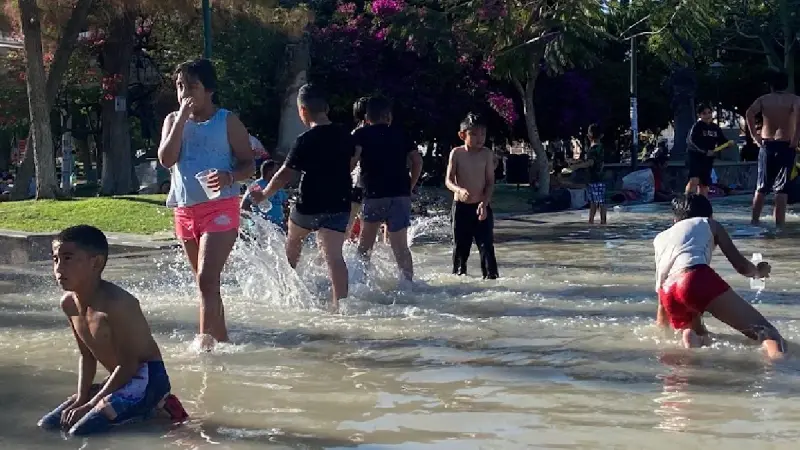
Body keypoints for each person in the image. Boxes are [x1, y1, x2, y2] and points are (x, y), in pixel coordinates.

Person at [38, 226, 188, 436]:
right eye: (55, 259)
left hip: (146, 378)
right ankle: (144, 409)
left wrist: (91, 405)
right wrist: (82, 398)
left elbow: (129, 365)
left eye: (68, 258)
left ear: (96, 263)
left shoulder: (118, 303)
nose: (59, 268)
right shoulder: (68, 304)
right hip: (119, 379)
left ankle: (159, 407)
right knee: (49, 424)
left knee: (80, 431)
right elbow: (86, 356)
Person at [157, 59, 254, 349]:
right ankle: (222, 340)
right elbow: (166, 160)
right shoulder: (173, 121)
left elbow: (249, 164)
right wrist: (181, 121)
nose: (184, 93)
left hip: (220, 206)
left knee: (206, 279)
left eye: (192, 87)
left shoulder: (227, 121)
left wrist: (229, 176)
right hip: (185, 210)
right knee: (207, 285)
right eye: (179, 86)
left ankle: (204, 347)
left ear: (209, 90)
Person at [251, 84, 356, 311]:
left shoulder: (304, 139)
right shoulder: (345, 136)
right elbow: (351, 164)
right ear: (326, 108)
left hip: (309, 203)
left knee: (294, 240)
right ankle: (342, 306)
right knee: (335, 257)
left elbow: (283, 176)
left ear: (302, 111)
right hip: (339, 202)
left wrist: (264, 194)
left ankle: (287, 291)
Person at [653, 194, 786, 360]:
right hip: (694, 278)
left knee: (700, 333)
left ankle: (692, 336)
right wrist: (759, 272)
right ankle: (781, 369)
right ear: (710, 215)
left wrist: (661, 330)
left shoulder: (660, 238)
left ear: (674, 220)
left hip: (668, 293)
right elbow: (741, 266)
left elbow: (661, 291)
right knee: (767, 333)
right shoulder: (709, 223)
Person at [351, 96, 422, 281]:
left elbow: (352, 161)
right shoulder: (401, 133)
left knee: (365, 246)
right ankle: (408, 286)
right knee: (400, 247)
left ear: (367, 117)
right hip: (399, 194)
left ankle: (359, 283)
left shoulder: (361, 135)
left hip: (373, 194)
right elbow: (417, 161)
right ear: (388, 116)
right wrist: (410, 185)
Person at [446, 113, 499, 279]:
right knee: (461, 248)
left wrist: (484, 203)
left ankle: (492, 282)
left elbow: (490, 182)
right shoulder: (456, 153)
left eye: (483, 134)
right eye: (474, 134)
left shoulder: (486, 154)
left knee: (487, 248)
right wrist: (458, 190)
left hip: (481, 207)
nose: (480, 138)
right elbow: (448, 180)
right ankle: (458, 282)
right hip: (461, 208)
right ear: (463, 135)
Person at [746, 70, 800, 227]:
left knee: (761, 187)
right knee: (782, 189)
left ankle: (754, 222)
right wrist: (796, 139)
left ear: (771, 86)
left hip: (767, 144)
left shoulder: (764, 99)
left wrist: (755, 136)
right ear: (787, 85)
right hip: (786, 144)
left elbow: (749, 113)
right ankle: (780, 226)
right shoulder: (794, 100)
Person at [686, 103, 733, 197]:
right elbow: (691, 141)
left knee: (704, 184)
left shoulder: (715, 128)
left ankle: (702, 205)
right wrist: (704, 151)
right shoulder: (697, 126)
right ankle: (687, 200)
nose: (707, 115)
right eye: (704, 113)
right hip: (695, 157)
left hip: (708, 159)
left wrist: (728, 144)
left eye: (709, 113)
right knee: (694, 180)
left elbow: (722, 141)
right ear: (699, 115)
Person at [569, 124, 606, 224]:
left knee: (594, 202)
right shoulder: (601, 148)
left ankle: (592, 222)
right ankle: (602, 222)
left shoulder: (592, 150)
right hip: (601, 178)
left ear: (589, 136)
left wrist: (576, 166)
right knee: (601, 202)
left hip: (594, 179)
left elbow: (590, 162)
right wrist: (577, 162)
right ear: (601, 136)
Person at [345, 97, 370, 241]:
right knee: (371, 226)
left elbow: (352, 160)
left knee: (349, 223)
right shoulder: (377, 133)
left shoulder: (357, 133)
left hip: (358, 183)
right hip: (367, 184)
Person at [241, 159, 289, 229]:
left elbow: (285, 205)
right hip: (262, 229)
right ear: (269, 172)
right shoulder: (256, 186)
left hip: (278, 227)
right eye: (277, 170)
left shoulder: (278, 185)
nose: (279, 173)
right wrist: (255, 221)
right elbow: (244, 206)